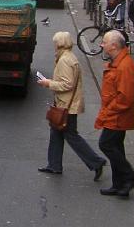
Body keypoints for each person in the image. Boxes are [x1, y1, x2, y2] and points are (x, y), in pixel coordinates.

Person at [36, 32, 106, 179]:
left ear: (59, 44)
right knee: (56, 132)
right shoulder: (69, 56)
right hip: (67, 104)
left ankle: (96, 162)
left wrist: (48, 83)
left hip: (66, 105)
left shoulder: (65, 60)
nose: (53, 45)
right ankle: (54, 164)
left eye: (55, 43)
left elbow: (67, 84)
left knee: (71, 135)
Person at [95, 30, 134, 197]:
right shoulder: (119, 62)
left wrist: (108, 111)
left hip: (118, 115)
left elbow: (125, 97)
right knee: (116, 147)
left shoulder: (124, 66)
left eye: (104, 42)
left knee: (106, 144)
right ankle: (120, 184)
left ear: (114, 46)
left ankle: (130, 177)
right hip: (117, 113)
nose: (102, 44)